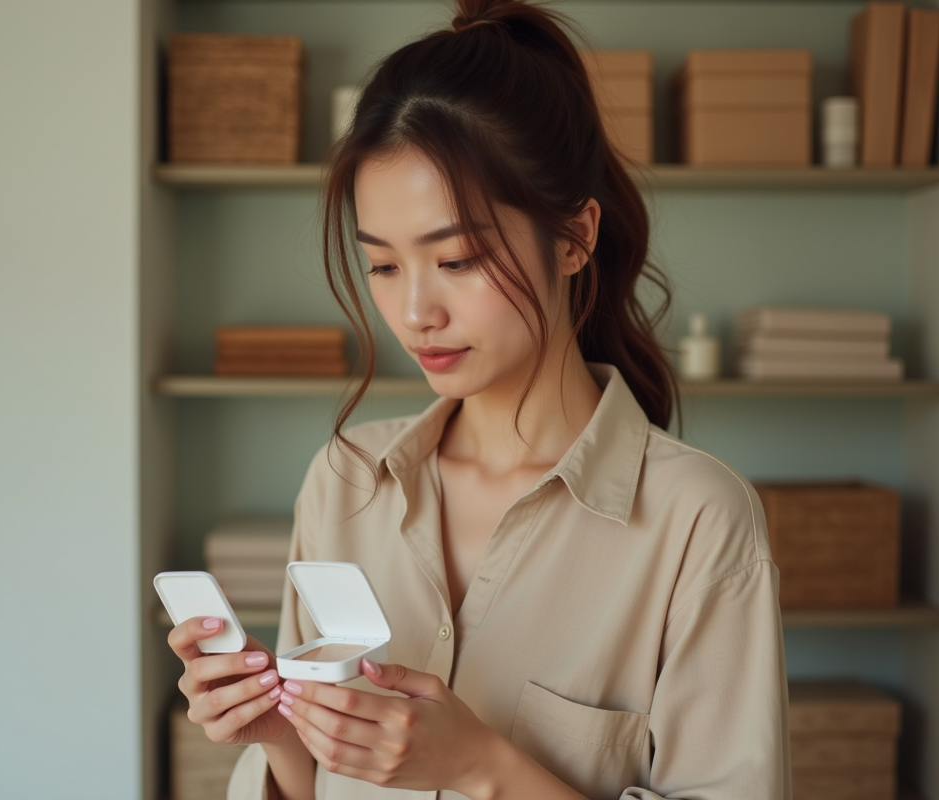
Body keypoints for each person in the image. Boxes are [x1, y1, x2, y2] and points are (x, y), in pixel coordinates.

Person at [165, 1, 791, 798]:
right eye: (384, 267)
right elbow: (318, 783)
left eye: (456, 259)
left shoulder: (698, 521)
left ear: (574, 237)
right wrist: (279, 736)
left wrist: (480, 766)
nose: (415, 311)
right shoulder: (345, 481)